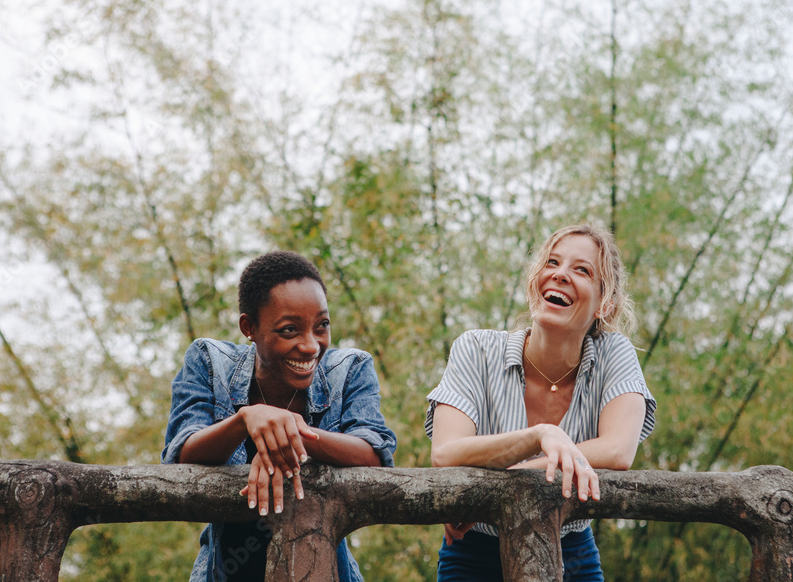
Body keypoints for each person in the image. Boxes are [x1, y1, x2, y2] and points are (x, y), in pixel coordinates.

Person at [426, 221, 657, 581]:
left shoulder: (616, 355)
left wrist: (493, 494)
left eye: (581, 270)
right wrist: (539, 436)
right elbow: (444, 453)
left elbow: (618, 451)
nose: (560, 274)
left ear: (605, 304)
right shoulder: (475, 348)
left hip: (572, 548)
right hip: (472, 549)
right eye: (552, 263)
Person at [163, 250, 396, 582]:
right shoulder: (209, 361)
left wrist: (294, 434)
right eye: (290, 330)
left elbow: (375, 454)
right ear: (250, 327)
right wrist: (247, 419)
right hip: (225, 569)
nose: (311, 345)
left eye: (322, 326)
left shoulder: (351, 369)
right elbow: (181, 452)